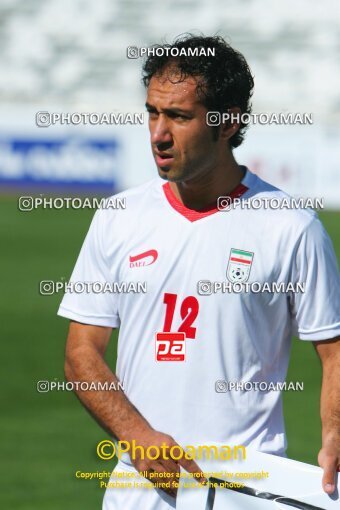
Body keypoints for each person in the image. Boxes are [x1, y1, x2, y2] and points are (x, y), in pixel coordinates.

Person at [58, 35, 340, 510]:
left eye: (179, 117)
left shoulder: (291, 227)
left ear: (227, 123)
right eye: (152, 112)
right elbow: (81, 352)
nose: (158, 134)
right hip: (136, 488)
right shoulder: (118, 216)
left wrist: (334, 435)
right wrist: (138, 437)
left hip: (246, 490)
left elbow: (334, 353)